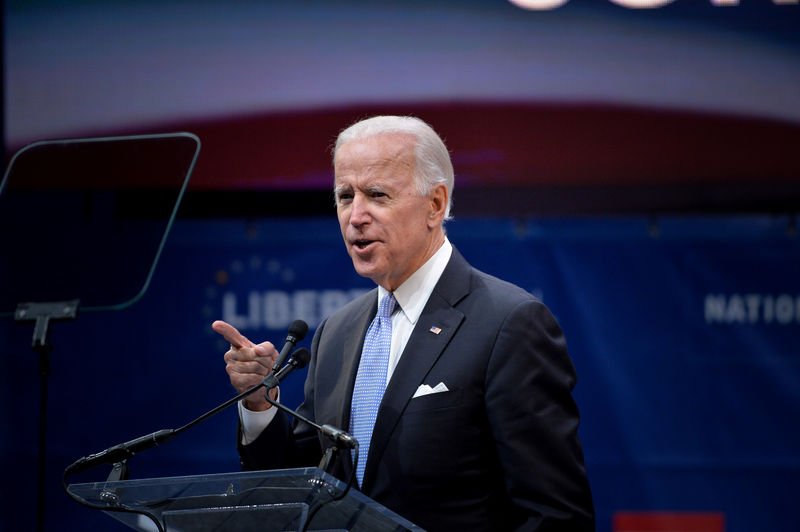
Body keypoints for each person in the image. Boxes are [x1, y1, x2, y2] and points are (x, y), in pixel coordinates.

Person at [212, 115, 594, 531]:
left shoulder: (509, 324)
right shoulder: (336, 333)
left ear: (435, 204)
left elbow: (555, 515)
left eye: (377, 194)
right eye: (344, 196)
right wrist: (259, 405)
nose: (355, 215)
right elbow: (298, 487)